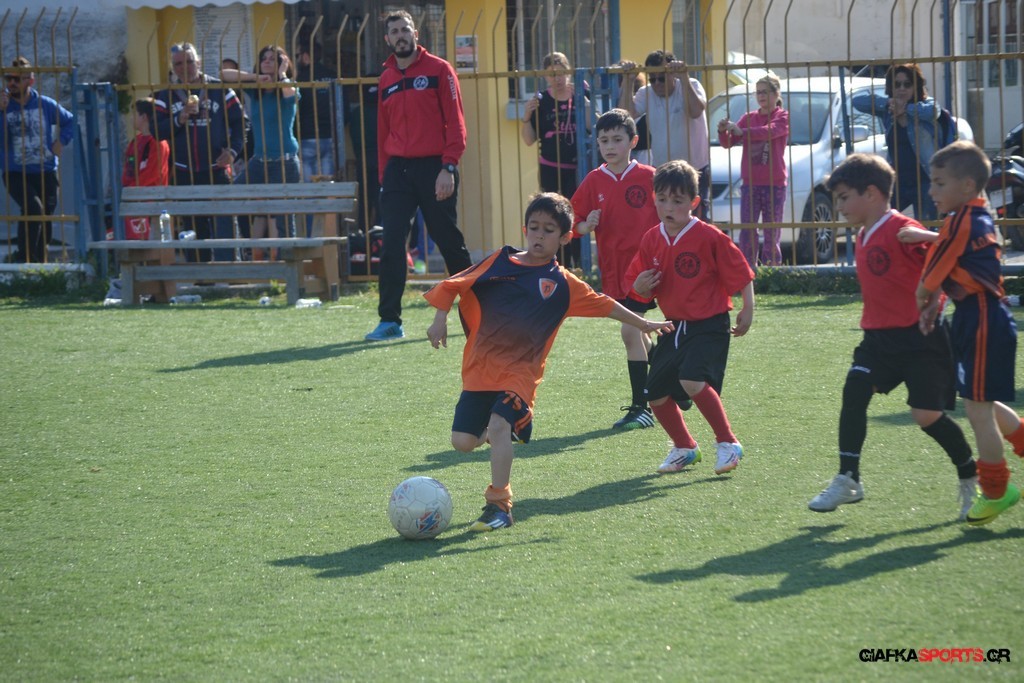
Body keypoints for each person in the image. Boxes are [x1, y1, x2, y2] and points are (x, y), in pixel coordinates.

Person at [424, 192, 674, 531]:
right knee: (463, 442)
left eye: (548, 230)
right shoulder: (499, 261)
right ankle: (510, 427)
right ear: (524, 229)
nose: (539, 235)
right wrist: (440, 319)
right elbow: (453, 284)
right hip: (480, 371)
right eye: (534, 227)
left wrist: (643, 323)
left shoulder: (563, 284)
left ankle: (499, 505)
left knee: (498, 425)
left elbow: (605, 304)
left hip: (520, 374)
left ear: (565, 237)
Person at [806, 153, 978, 519]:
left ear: (871, 193)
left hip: (922, 340)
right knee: (855, 389)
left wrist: (935, 299)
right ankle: (848, 478)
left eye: (844, 197)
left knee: (926, 416)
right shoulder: (863, 234)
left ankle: (969, 476)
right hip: (878, 341)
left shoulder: (903, 229)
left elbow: (951, 256)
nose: (839, 207)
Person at [912, 141, 1024, 525]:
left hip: (981, 319)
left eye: (939, 183)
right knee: (981, 402)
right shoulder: (977, 216)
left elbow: (931, 276)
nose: (931, 190)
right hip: (979, 317)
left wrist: (923, 299)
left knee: (977, 410)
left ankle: (996, 490)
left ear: (967, 186)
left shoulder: (960, 221)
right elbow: (953, 264)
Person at [624, 160, 755, 475]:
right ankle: (685, 447)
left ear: (694, 202)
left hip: (710, 324)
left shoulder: (709, 236)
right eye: (662, 199)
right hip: (673, 326)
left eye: (677, 201)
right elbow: (638, 287)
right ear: (654, 198)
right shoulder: (651, 239)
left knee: (692, 381)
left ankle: (728, 442)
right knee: (655, 394)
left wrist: (748, 307)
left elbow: (741, 271)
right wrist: (639, 287)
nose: (669, 207)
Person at [366, 10, 473, 341]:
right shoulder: (386, 78)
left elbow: (456, 123)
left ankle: (478, 311)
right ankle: (390, 321)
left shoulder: (439, 69)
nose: (400, 35)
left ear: (415, 33)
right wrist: (384, 177)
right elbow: (383, 132)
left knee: (448, 241)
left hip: (435, 167)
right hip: (397, 172)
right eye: (394, 31)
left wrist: (448, 166)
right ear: (387, 39)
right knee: (391, 243)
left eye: (405, 29)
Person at [571, 109, 660, 430]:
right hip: (614, 270)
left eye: (617, 139)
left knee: (630, 331)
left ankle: (642, 407)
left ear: (633, 141)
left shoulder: (650, 177)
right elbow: (572, 221)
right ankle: (666, 371)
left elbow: (673, 213)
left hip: (647, 270)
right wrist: (585, 225)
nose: (610, 146)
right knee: (639, 331)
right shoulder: (594, 180)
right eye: (604, 140)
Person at [154, 43, 245, 262]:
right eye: (178, 64)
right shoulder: (165, 95)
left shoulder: (219, 90)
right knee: (193, 229)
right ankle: (199, 273)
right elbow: (157, 131)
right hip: (184, 172)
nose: (184, 67)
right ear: (172, 68)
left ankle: (231, 270)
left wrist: (233, 151)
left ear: (199, 62)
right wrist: (180, 118)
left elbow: (242, 123)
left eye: (189, 62)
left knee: (225, 226)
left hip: (217, 169)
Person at [222, 45, 301, 258]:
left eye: (273, 59)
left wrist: (282, 74)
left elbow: (290, 93)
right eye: (264, 58)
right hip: (259, 161)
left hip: (284, 162)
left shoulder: (287, 87)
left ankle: (285, 263)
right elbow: (224, 75)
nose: (267, 61)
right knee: (230, 196)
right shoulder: (255, 91)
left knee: (282, 217)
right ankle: (241, 256)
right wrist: (256, 77)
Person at [617, 50, 710, 219]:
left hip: (695, 169)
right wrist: (628, 82)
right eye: (652, 79)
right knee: (664, 220)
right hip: (663, 170)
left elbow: (696, 111)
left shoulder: (691, 85)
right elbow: (625, 116)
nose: (657, 83)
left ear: (673, 74)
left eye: (661, 78)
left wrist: (684, 78)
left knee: (697, 221)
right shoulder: (646, 92)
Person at [0, 57, 74, 263]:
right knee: (33, 209)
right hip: (15, 171)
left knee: (45, 215)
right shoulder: (4, 106)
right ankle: (24, 261)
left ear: (30, 81)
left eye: (17, 79)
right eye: (8, 78)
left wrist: (62, 141)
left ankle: (40, 263)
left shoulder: (45, 104)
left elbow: (70, 121)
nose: (11, 83)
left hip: (45, 170)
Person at [521, 51, 587, 268]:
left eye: (561, 73)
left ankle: (579, 264)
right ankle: (558, 264)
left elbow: (592, 126)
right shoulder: (541, 100)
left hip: (577, 168)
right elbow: (529, 140)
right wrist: (526, 117)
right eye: (551, 74)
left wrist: (585, 103)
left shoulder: (581, 93)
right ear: (545, 77)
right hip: (550, 168)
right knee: (553, 216)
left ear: (569, 71)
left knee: (577, 215)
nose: (557, 78)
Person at [852, 63, 941, 222]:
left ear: (915, 86)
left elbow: (933, 111)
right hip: (898, 181)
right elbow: (857, 101)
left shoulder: (925, 105)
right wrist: (888, 103)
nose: (901, 89)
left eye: (907, 84)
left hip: (924, 181)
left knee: (925, 227)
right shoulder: (888, 109)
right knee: (880, 221)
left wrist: (906, 109)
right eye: (897, 84)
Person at [717, 73, 789, 267]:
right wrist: (722, 130)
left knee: (771, 232)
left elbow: (771, 131)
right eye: (758, 92)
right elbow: (728, 142)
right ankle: (748, 270)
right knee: (748, 232)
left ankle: (771, 270)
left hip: (774, 184)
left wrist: (743, 131)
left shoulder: (782, 116)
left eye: (765, 92)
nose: (761, 96)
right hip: (750, 184)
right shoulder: (749, 118)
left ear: (776, 93)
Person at [121, 97, 170, 240]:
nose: (131, 118)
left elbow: (152, 174)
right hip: (133, 198)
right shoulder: (135, 141)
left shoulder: (158, 142)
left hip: (150, 199)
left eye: (134, 114)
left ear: (144, 117)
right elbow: (128, 170)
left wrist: (130, 190)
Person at [294, 43, 337, 184]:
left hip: (308, 135)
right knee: (327, 183)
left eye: (298, 55)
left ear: (306, 56)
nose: (297, 59)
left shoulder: (301, 79)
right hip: (331, 135)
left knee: (308, 186)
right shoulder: (332, 76)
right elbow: (343, 108)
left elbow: (296, 109)